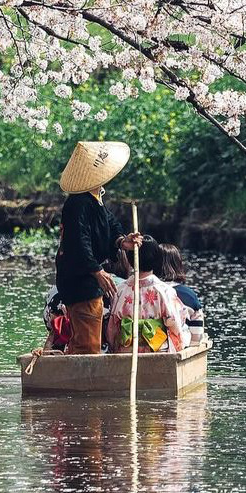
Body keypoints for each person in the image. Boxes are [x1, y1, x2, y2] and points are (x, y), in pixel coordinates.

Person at [55, 140, 143, 354]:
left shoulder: (95, 198)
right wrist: (97, 271)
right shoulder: (78, 204)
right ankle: (80, 385)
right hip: (80, 282)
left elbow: (109, 224)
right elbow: (79, 243)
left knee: (86, 340)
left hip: (86, 280)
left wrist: (123, 241)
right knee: (88, 345)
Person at [106, 236, 187, 353]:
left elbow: (112, 329)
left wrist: (114, 347)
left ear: (129, 259)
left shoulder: (119, 290)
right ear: (157, 259)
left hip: (127, 351)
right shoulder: (164, 291)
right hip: (157, 350)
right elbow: (174, 324)